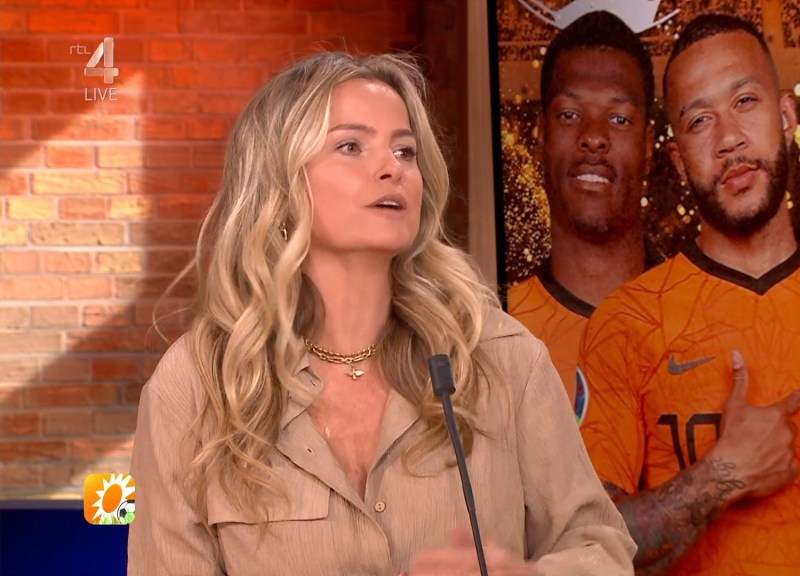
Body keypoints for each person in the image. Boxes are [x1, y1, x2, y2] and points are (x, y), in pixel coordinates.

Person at [127, 51, 636, 575]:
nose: (392, 167)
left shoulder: (500, 357)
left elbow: (602, 548)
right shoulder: (196, 387)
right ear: (279, 182)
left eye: (405, 150)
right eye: (351, 146)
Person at [575, 13, 800, 575]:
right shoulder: (626, 324)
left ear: (788, 118)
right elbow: (587, 549)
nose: (730, 139)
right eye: (700, 120)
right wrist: (723, 475)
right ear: (678, 161)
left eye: (745, 102)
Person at [507, 10, 662, 404]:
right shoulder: (499, 332)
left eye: (619, 118)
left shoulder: (704, 311)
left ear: (648, 146)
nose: (593, 137)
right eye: (570, 115)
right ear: (542, 135)